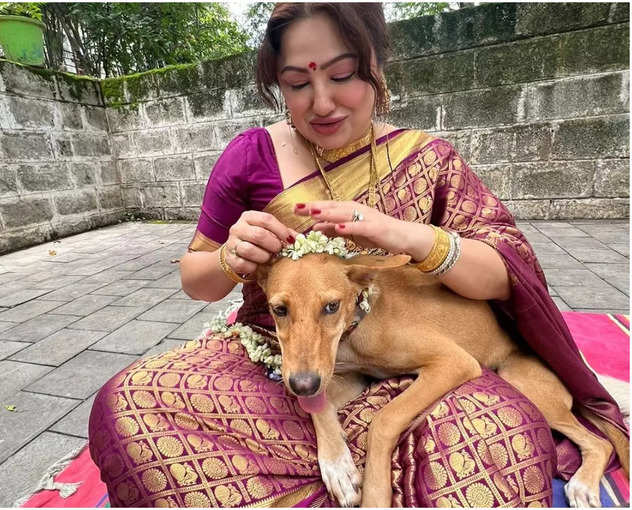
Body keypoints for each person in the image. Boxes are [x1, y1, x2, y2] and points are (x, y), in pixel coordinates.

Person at [89, 3, 627, 507]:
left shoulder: (429, 159)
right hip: (279, 358)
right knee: (132, 408)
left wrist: (410, 237)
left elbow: (507, 277)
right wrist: (231, 256)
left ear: (376, 67)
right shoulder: (249, 155)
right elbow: (196, 280)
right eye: (297, 83)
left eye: (342, 75)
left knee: (489, 448)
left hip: (420, 361)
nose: (321, 103)